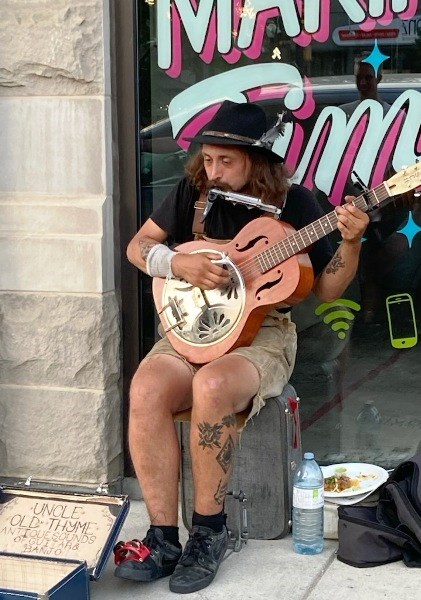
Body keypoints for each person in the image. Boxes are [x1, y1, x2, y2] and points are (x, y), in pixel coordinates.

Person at [114, 100, 369, 594]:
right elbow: (138, 246)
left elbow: (328, 290)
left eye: (225, 161)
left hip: (263, 333)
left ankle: (209, 532)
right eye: (207, 159)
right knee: (146, 389)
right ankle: (163, 536)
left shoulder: (298, 205)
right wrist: (175, 265)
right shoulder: (194, 192)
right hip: (193, 326)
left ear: (258, 159)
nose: (212, 171)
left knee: (211, 385)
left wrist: (352, 242)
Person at [339, 53, 391, 118]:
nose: (362, 82)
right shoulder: (344, 113)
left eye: (368, 78)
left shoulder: (393, 116)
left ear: (378, 78)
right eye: (359, 77)